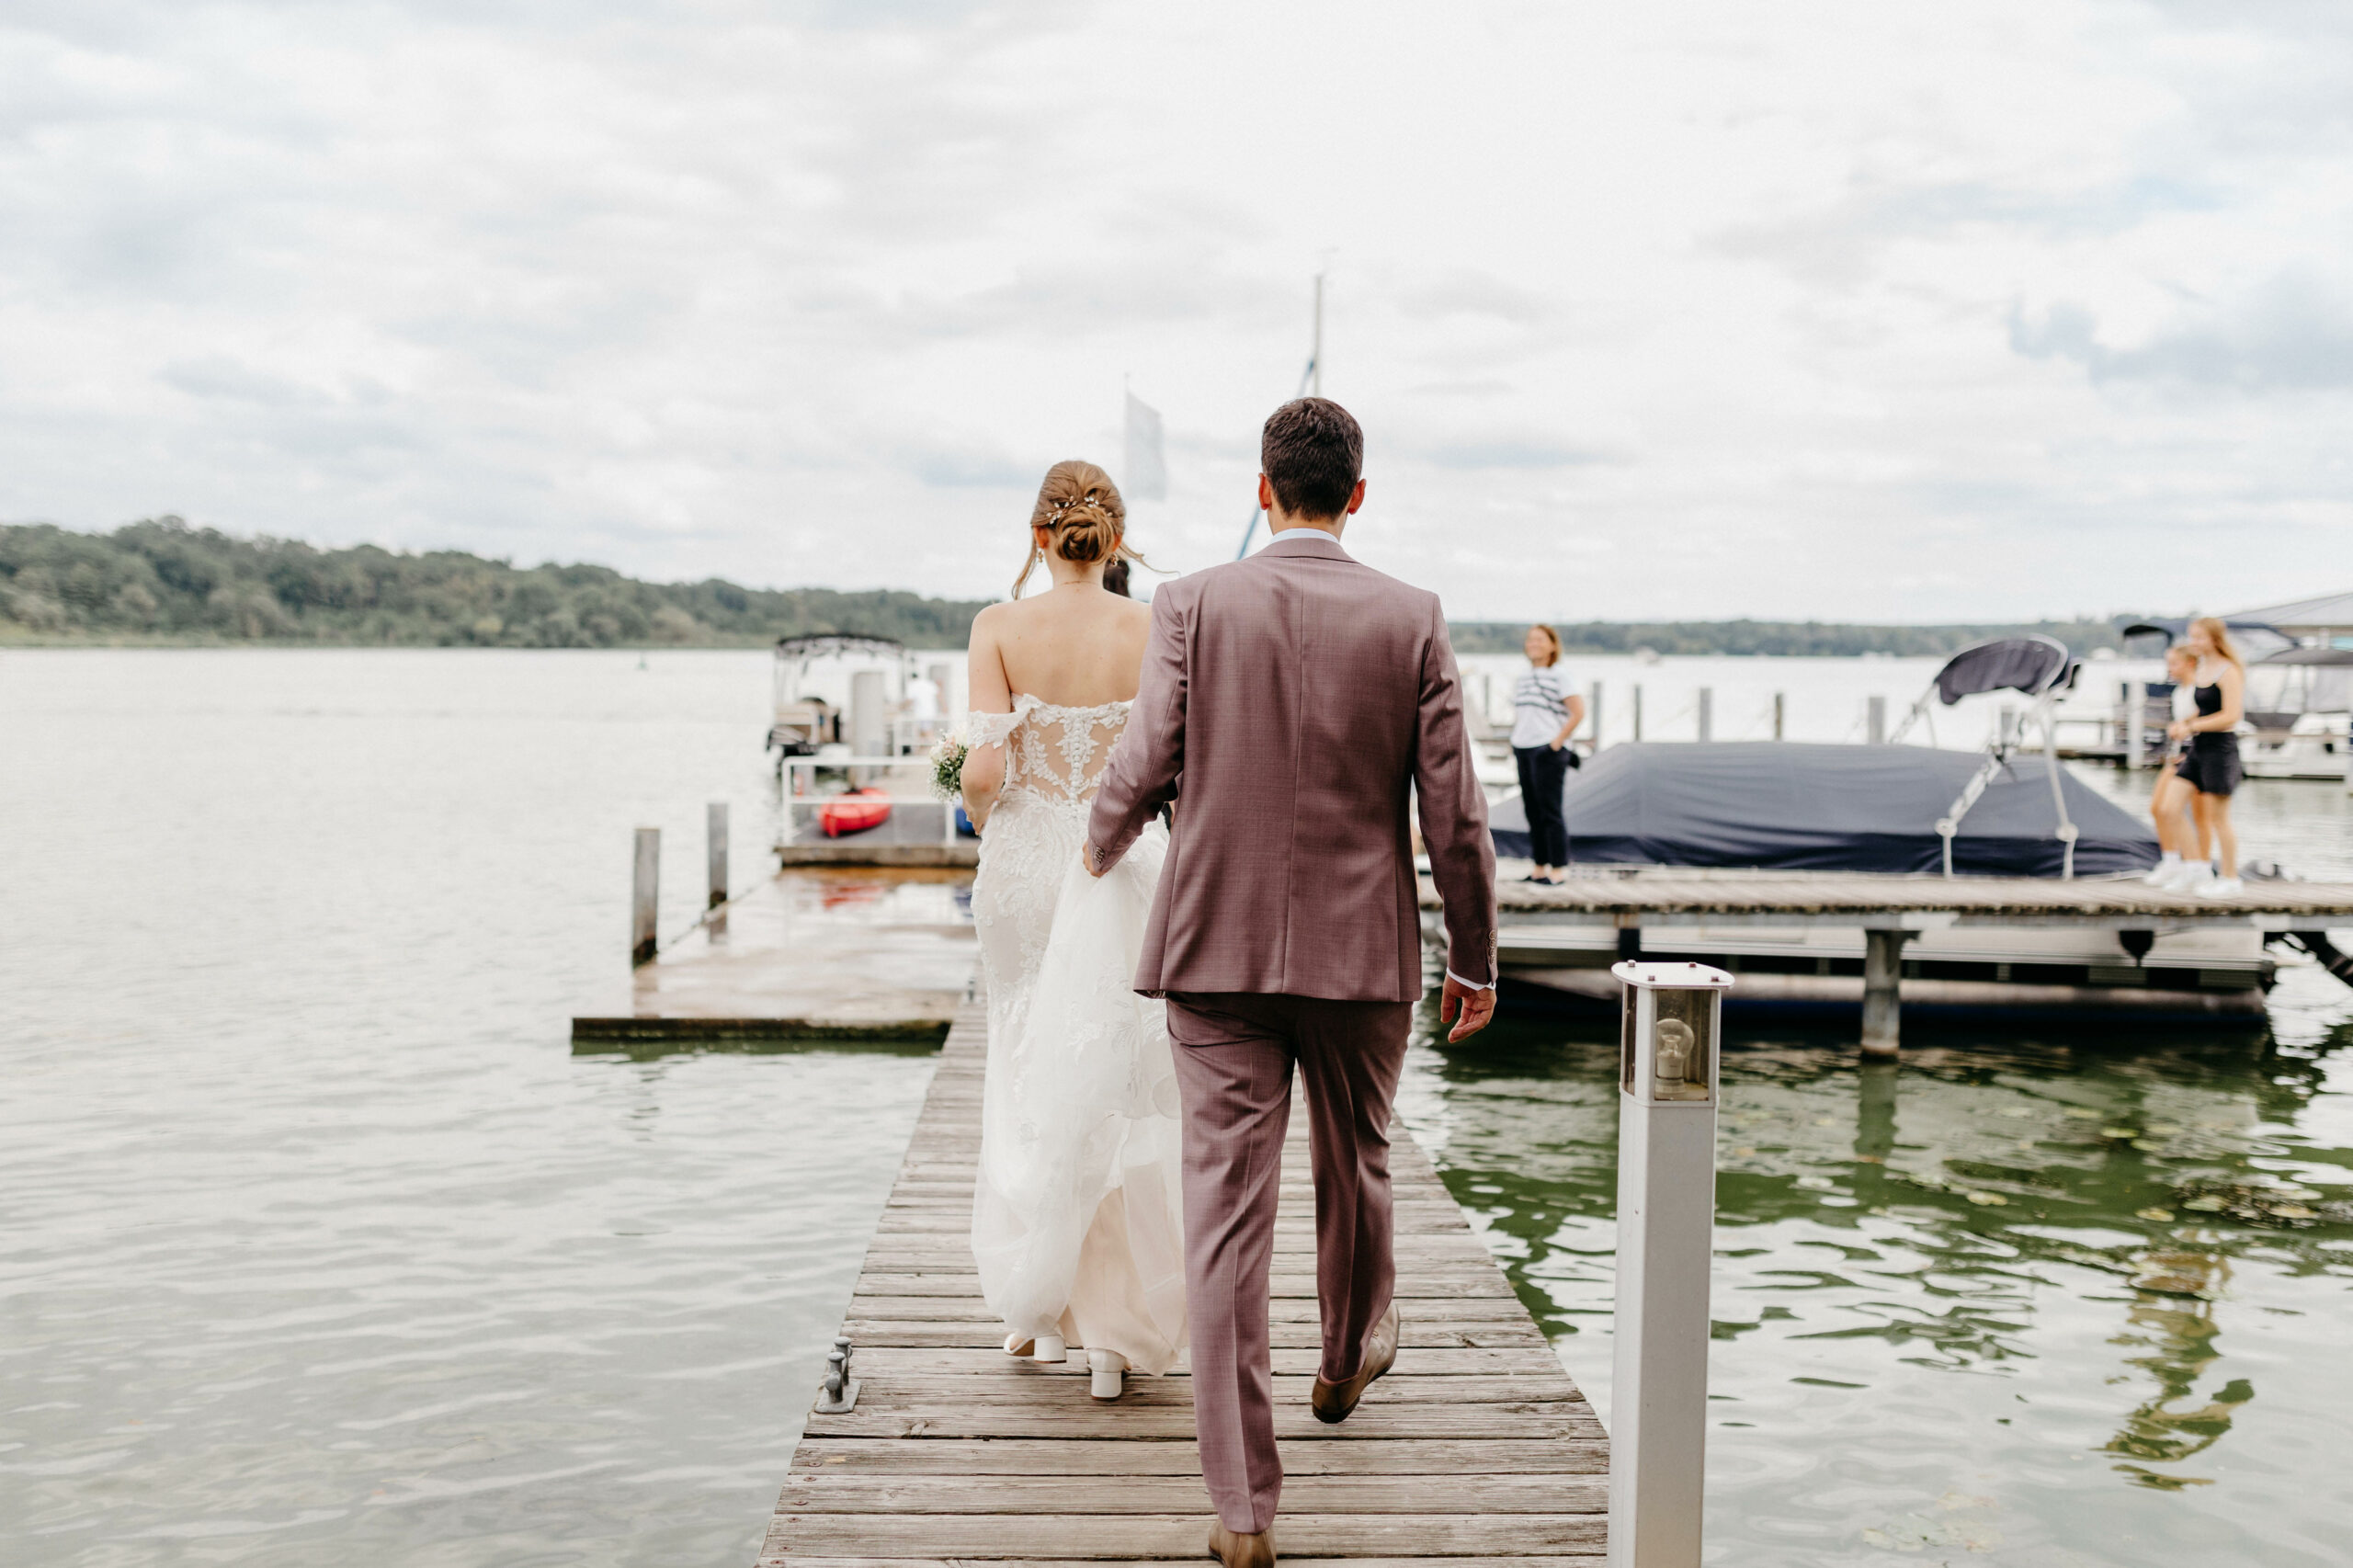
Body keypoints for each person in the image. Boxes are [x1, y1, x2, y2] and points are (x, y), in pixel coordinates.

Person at [1086, 397, 1498, 1568]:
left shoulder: (1191, 602)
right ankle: (1346, 1347)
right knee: (1359, 1155)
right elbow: (1454, 813)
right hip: (1362, 954)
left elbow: (1145, 756)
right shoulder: (1412, 617)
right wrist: (1475, 954)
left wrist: (1097, 847)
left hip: (1214, 950)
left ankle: (1243, 1509)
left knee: (1223, 1218)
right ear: (1356, 495)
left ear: (1262, 489)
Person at [960, 460, 1185, 1402]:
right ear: (1118, 539)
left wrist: (985, 808)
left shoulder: (997, 627)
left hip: (1026, 869)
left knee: (1028, 1066)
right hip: (1124, 862)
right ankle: (1109, 1330)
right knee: (1120, 1078)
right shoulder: (1153, 623)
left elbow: (981, 770)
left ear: (1039, 536)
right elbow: (1175, 758)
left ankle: (1040, 1315)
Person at [2158, 616, 2247, 896]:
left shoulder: (2228, 671)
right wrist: (2184, 724)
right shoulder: (2202, 669)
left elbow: (2231, 716)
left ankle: (2230, 878)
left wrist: (2192, 725)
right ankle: (2196, 869)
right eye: (2191, 636)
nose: (2193, 642)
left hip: (2220, 749)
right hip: (2197, 748)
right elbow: (2204, 710)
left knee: (2219, 819)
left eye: (2199, 637)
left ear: (2214, 639)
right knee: (2169, 808)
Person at [1509, 624, 1584, 883]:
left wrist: (1557, 743)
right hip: (1523, 747)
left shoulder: (1560, 675)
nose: (1534, 643)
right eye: (1530, 639)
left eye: (1540, 639)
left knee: (1550, 810)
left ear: (1552, 645)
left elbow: (1578, 712)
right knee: (1531, 810)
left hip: (1548, 749)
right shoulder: (1523, 678)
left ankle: (1559, 869)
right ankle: (1539, 866)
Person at [2141, 643, 2211, 885]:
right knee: (2158, 808)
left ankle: (2198, 867)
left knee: (2194, 814)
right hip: (2176, 754)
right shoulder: (2178, 692)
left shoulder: (2199, 690)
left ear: (2190, 663)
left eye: (2174, 663)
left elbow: (2203, 720)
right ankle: (2171, 861)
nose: (2170, 669)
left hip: (2196, 754)